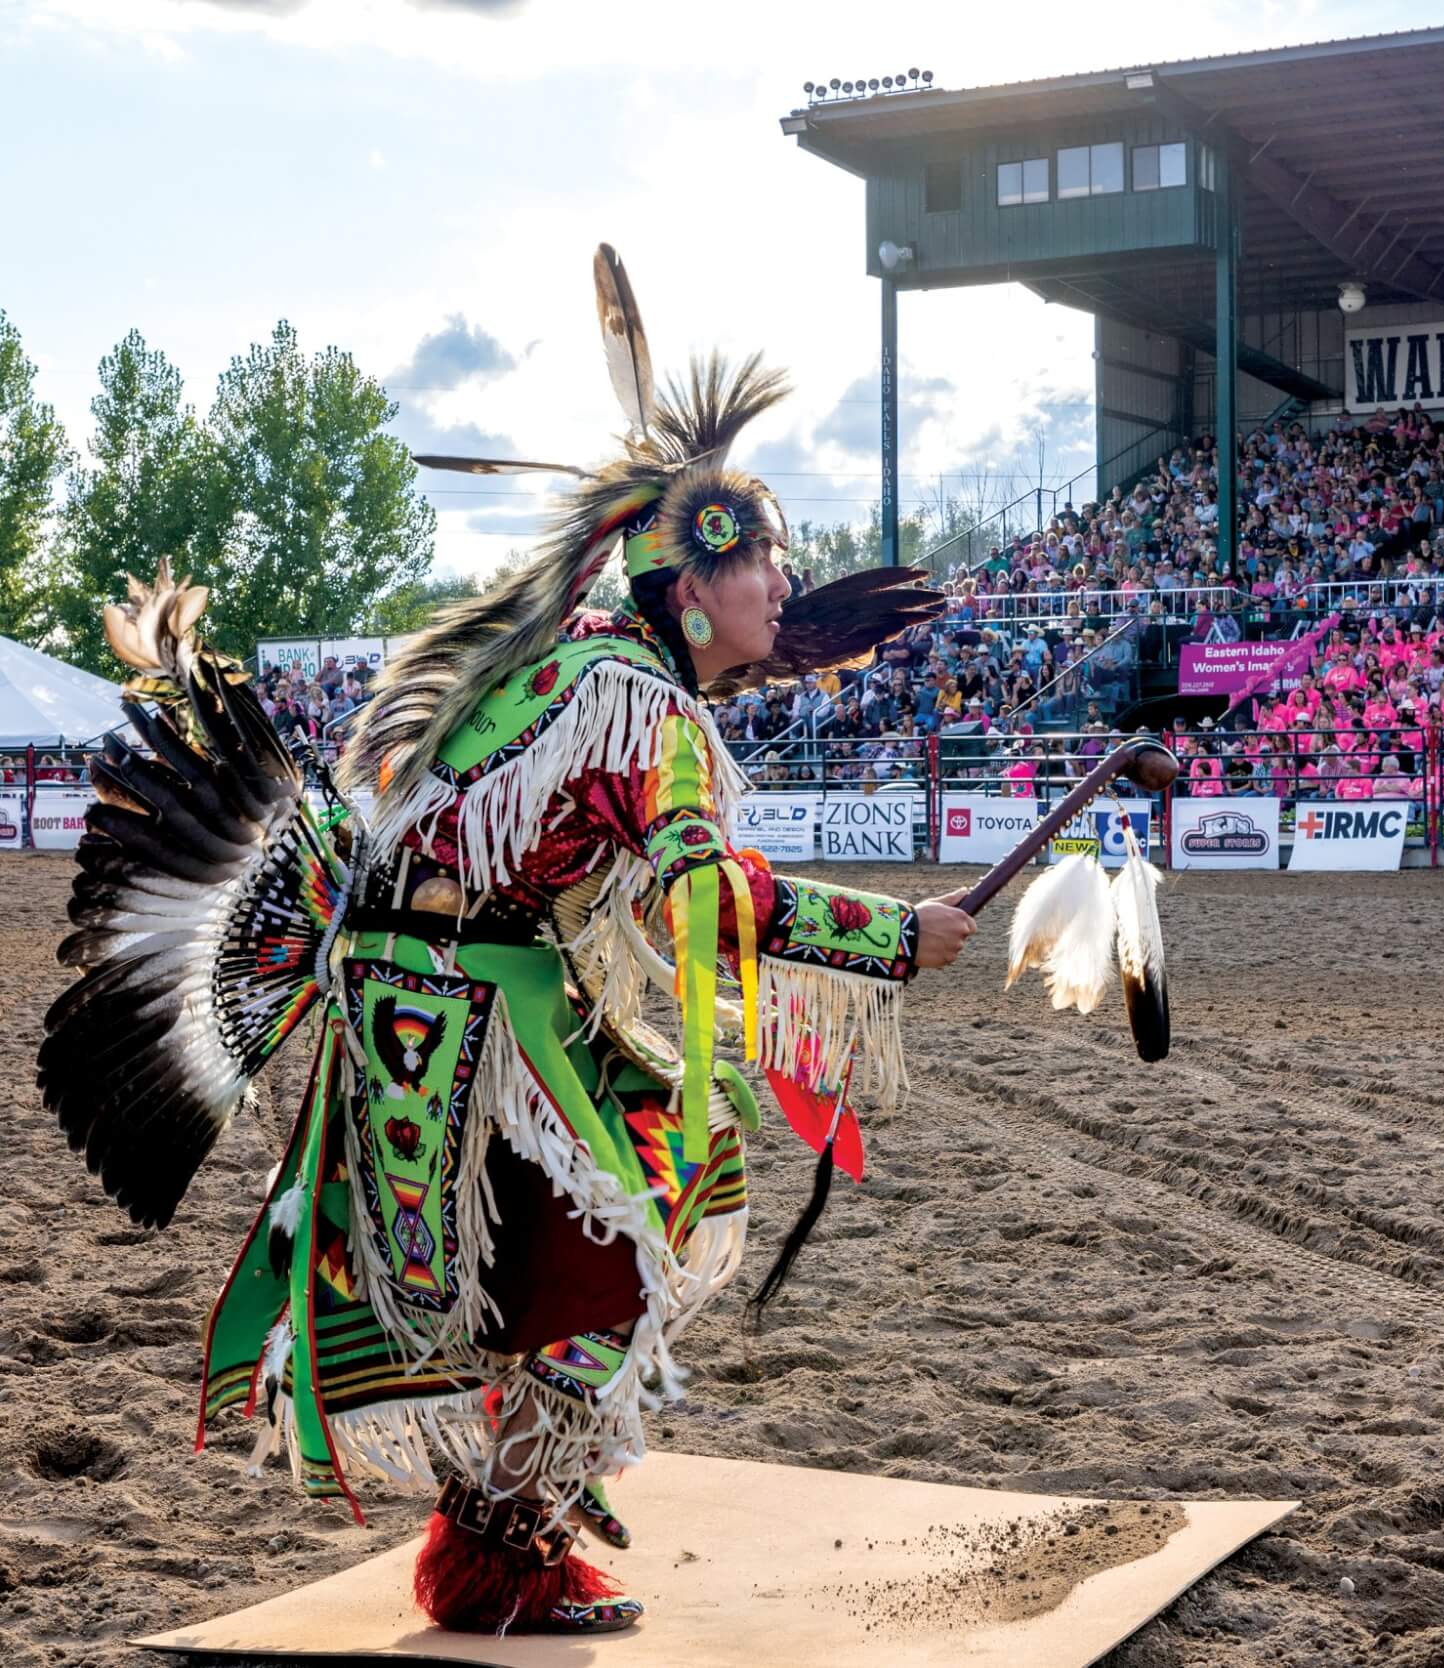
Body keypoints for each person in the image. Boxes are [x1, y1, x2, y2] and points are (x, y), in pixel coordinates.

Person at [41, 251, 968, 1638]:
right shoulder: (637, 705)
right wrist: (898, 935)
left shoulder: (608, 667)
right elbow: (707, 899)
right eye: (767, 560)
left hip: (445, 994)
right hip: (469, 1018)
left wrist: (776, 644)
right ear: (695, 587)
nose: (788, 584)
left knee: (583, 1246)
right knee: (620, 1265)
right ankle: (498, 1545)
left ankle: (504, 1524)